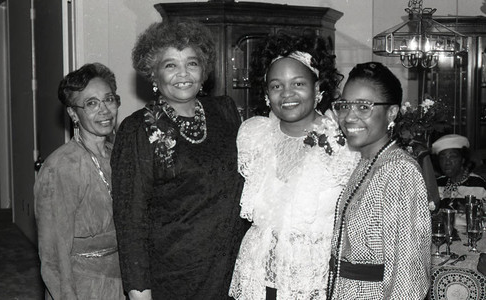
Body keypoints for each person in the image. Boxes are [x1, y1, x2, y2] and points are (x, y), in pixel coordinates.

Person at [111, 20, 249, 300]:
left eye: (192, 63)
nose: (183, 74)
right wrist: (139, 292)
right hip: (174, 276)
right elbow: (130, 221)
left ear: (204, 71)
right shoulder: (137, 129)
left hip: (233, 270)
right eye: (170, 65)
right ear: (153, 73)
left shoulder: (225, 112)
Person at [228, 33, 359, 300]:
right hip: (258, 279)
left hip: (316, 282)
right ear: (266, 94)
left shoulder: (345, 143)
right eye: (276, 86)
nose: (287, 94)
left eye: (298, 83)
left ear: (318, 87)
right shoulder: (253, 137)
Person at [326, 62, 431, 299]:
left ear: (392, 113)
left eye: (364, 107)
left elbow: (409, 276)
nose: (349, 116)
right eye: (344, 105)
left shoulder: (399, 170)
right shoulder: (367, 161)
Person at [34, 63, 124, 299]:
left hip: (123, 280)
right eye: (91, 103)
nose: (104, 110)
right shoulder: (61, 167)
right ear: (73, 113)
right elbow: (53, 254)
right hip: (83, 286)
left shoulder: (121, 156)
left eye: (109, 99)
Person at [432, 134, 486, 211]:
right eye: (442, 157)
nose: (447, 162)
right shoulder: (437, 184)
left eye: (452, 156)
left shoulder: (479, 185)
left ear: (463, 159)